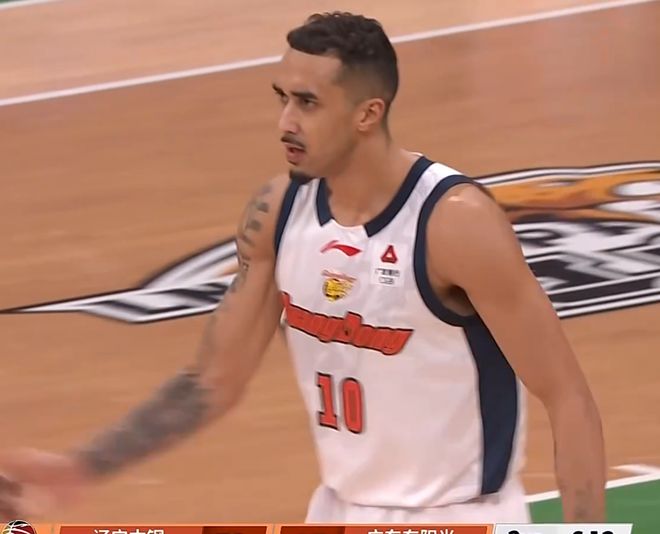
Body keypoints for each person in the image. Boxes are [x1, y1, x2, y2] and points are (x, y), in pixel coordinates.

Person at [0, 12, 605, 523]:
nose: (285, 122)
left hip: (458, 515)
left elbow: (568, 396)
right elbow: (213, 380)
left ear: (367, 114)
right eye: (282, 98)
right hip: (338, 510)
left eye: (308, 103)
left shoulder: (454, 223)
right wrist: (82, 466)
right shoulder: (278, 210)